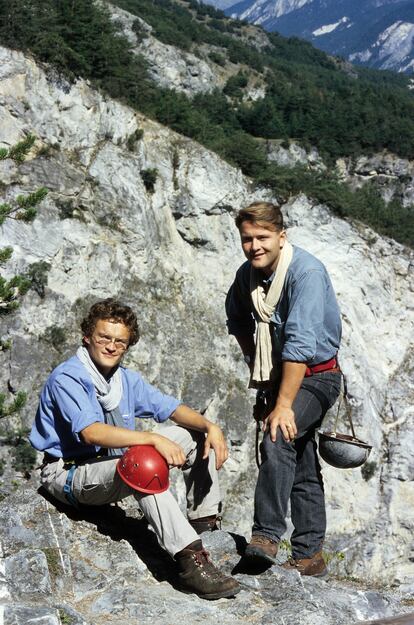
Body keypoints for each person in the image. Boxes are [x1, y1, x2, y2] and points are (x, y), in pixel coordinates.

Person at [30, 298, 240, 600]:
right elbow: (91, 432)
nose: (111, 346)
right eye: (104, 337)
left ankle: (204, 524)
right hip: (69, 474)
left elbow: (170, 408)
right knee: (142, 463)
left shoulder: (123, 380)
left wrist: (210, 427)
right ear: (87, 336)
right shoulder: (69, 377)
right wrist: (152, 439)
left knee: (194, 434)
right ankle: (190, 562)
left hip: (111, 466)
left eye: (120, 341)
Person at [225, 201, 342, 577]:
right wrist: (261, 375)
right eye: (247, 239)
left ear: (281, 236)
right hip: (282, 376)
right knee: (301, 458)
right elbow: (237, 318)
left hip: (318, 376)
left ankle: (265, 537)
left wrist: (284, 405)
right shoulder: (249, 278)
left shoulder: (305, 272)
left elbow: (300, 346)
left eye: (262, 237)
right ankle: (310, 556)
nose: (255, 245)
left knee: (278, 435)